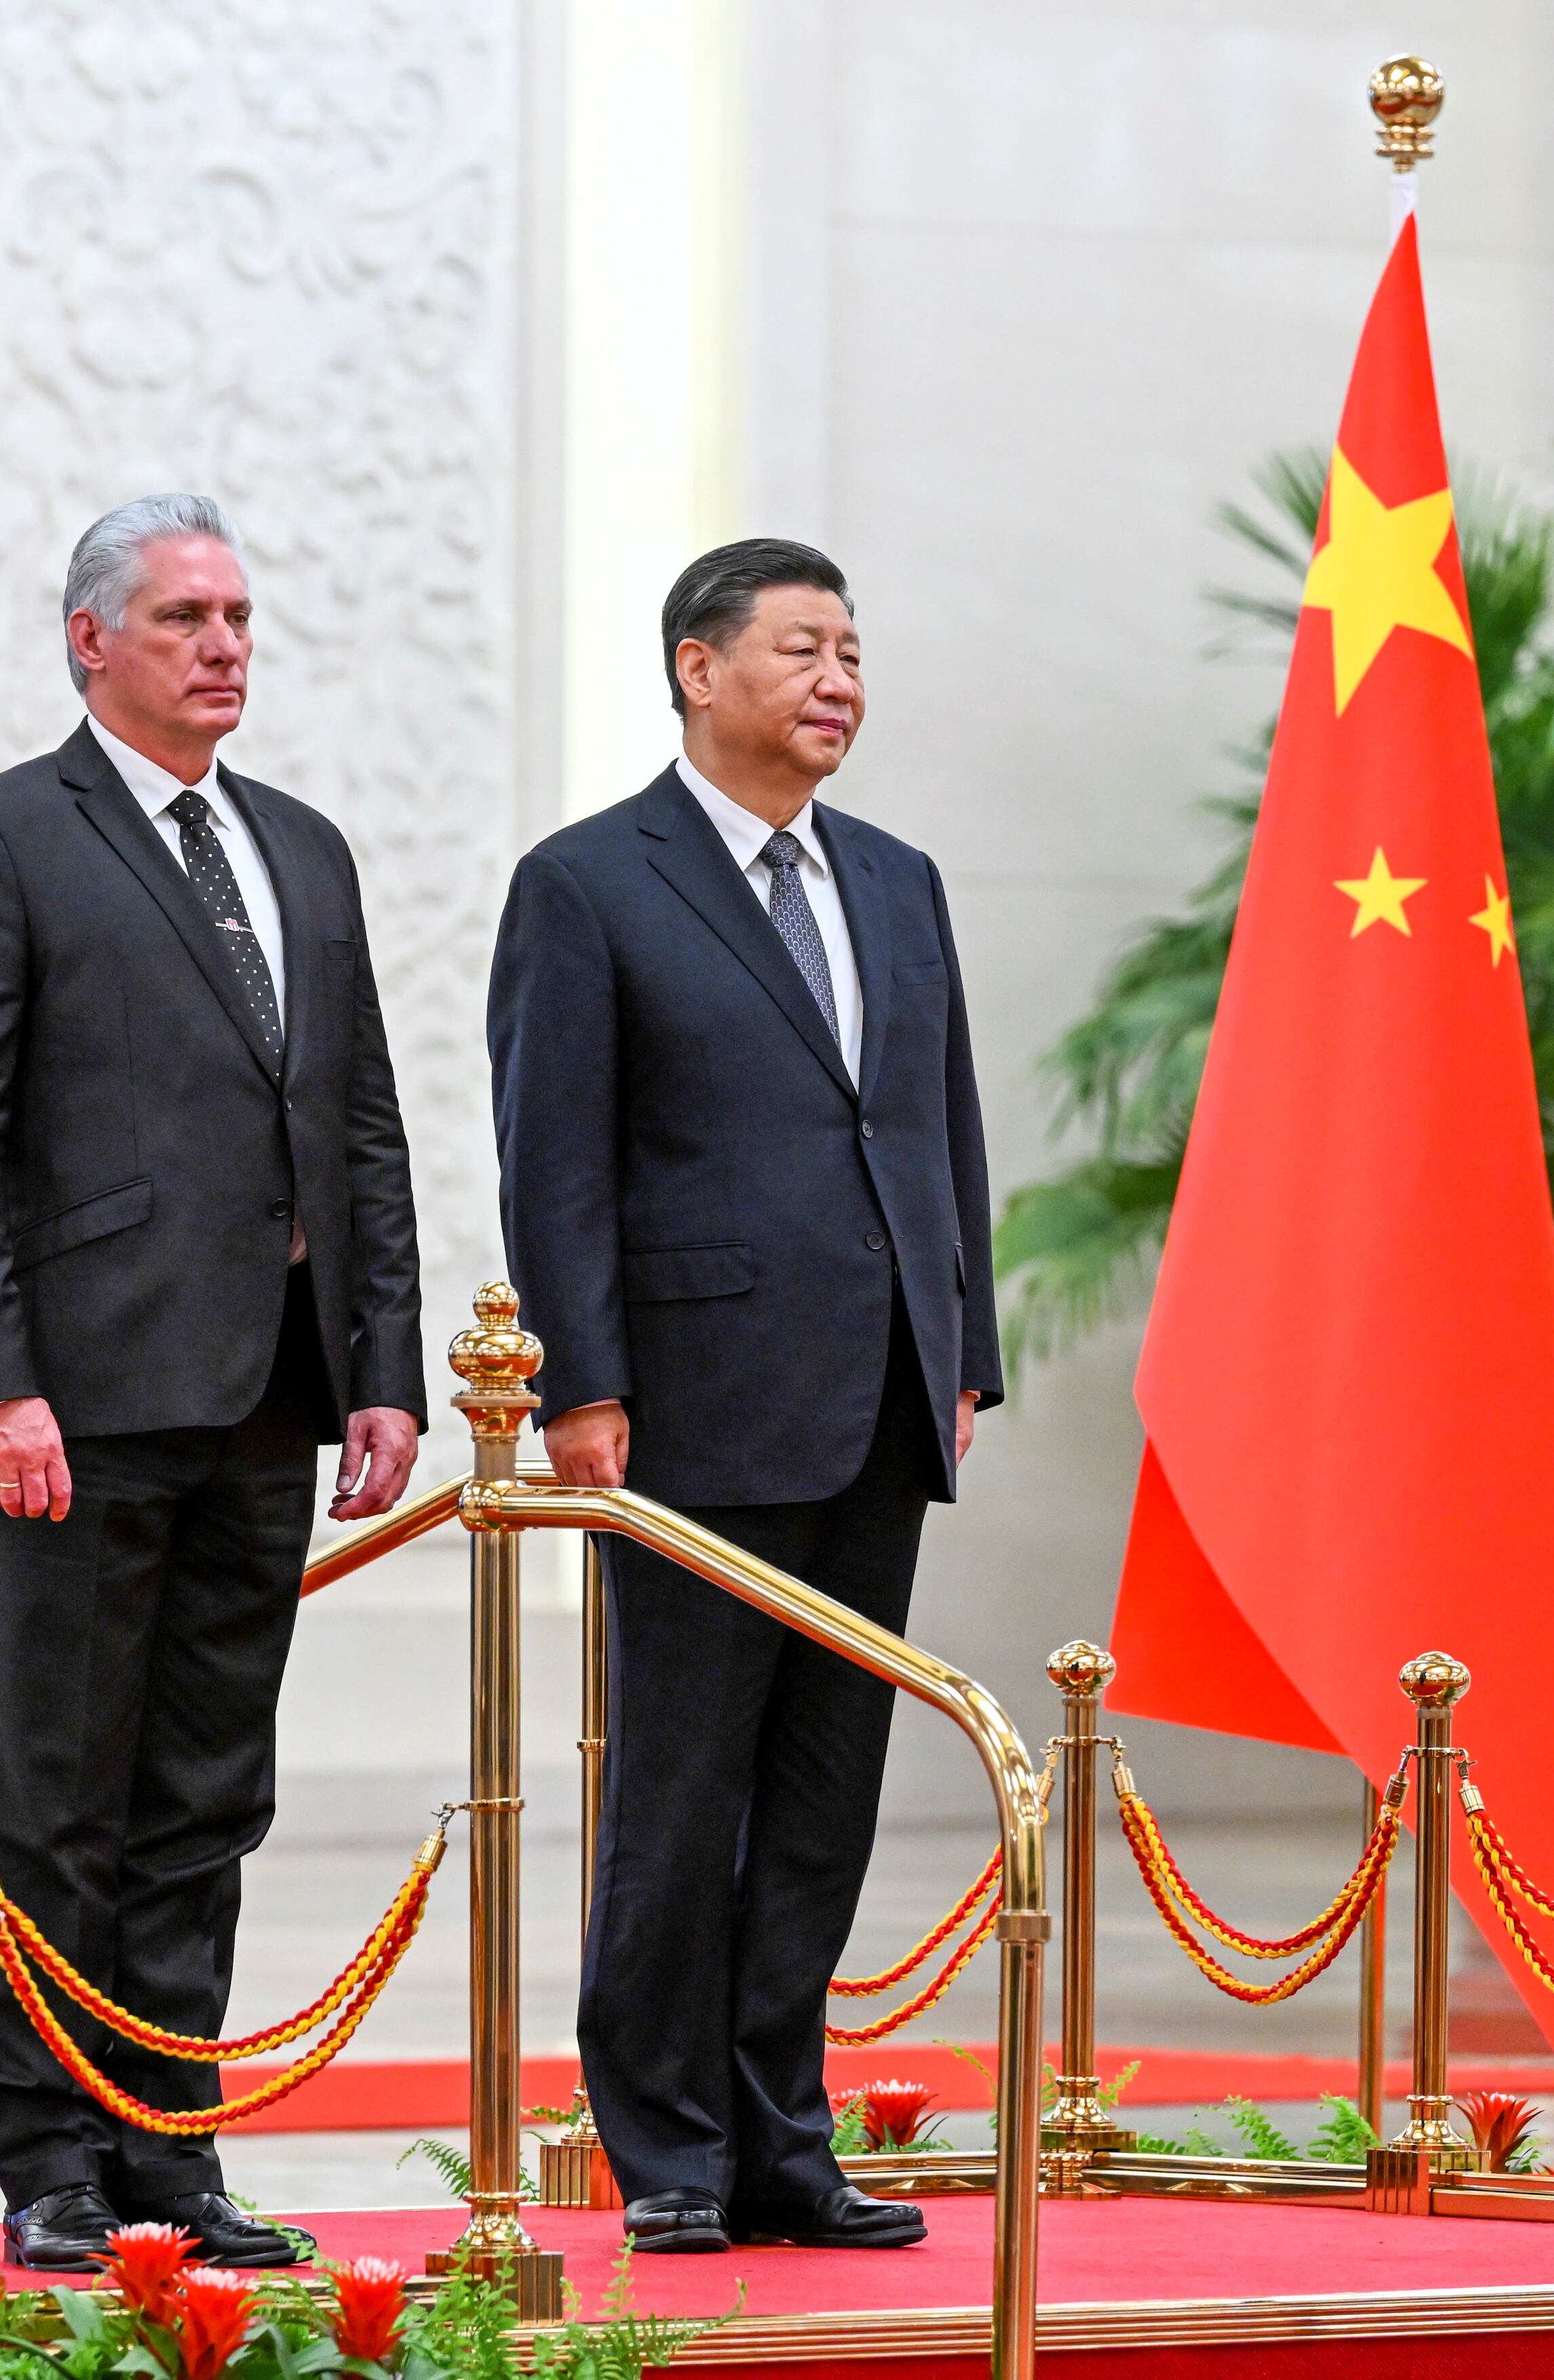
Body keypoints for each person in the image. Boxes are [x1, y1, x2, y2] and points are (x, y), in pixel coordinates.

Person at [0, 494, 425, 2272]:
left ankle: (168, 2150)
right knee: (61, 1791)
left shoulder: (306, 848)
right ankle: (47, 2158)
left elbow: (356, 1124)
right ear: (89, 639)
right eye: (187, 614)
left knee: (207, 1791)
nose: (224, 644)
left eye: (241, 615)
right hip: (78, 1400)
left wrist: (383, 1370)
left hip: (271, 1392)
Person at [486, 537, 1001, 2254]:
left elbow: (937, 1132)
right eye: (803, 648)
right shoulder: (590, 882)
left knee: (821, 1790)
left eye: (854, 649)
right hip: (688, 1406)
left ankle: (787, 2134)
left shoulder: (900, 878)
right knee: (680, 1786)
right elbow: (552, 1156)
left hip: (877, 1400)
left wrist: (965, 1346)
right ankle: (672, 2151)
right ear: (701, 670)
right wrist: (581, 1381)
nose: (839, 679)